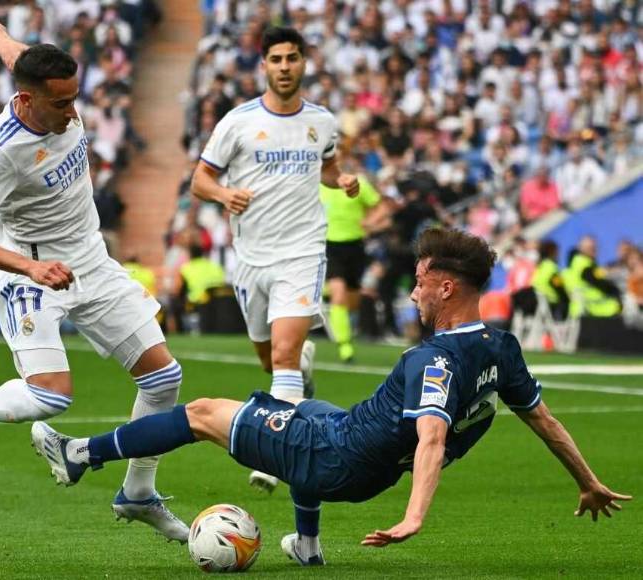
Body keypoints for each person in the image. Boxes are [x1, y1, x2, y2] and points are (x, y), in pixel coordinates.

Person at [31, 228, 631, 566]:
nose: (414, 290)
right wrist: (587, 480)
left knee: (200, 413)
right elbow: (545, 421)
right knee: (307, 408)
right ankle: (308, 548)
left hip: (337, 456)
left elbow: (431, 436)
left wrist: (415, 518)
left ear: (446, 287)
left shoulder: (433, 359)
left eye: (421, 280)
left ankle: (80, 455)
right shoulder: (501, 347)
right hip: (364, 463)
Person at [0, 18, 188, 543]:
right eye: (62, 103)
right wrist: (33, 269)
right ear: (27, 100)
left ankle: (136, 493)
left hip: (90, 259)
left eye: (74, 98)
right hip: (30, 272)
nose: (73, 111)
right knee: (51, 399)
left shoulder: (48, 93)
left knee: (163, 380)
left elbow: (18, 56)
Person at [190, 26, 359, 492]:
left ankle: (273, 455)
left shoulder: (321, 121)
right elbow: (199, 181)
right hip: (251, 258)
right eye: (277, 59)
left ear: (305, 63)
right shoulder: (237, 122)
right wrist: (224, 193)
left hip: (302, 251)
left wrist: (341, 181)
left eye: (293, 58)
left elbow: (326, 167)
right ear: (263, 65)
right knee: (272, 360)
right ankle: (301, 370)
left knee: (281, 354)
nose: (285, 67)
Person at [320, 154, 388, 362]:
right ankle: (345, 346)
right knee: (338, 293)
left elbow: (381, 207)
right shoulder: (319, 186)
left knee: (353, 299)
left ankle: (336, 310)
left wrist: (370, 223)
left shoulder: (360, 184)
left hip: (355, 246)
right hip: (330, 245)